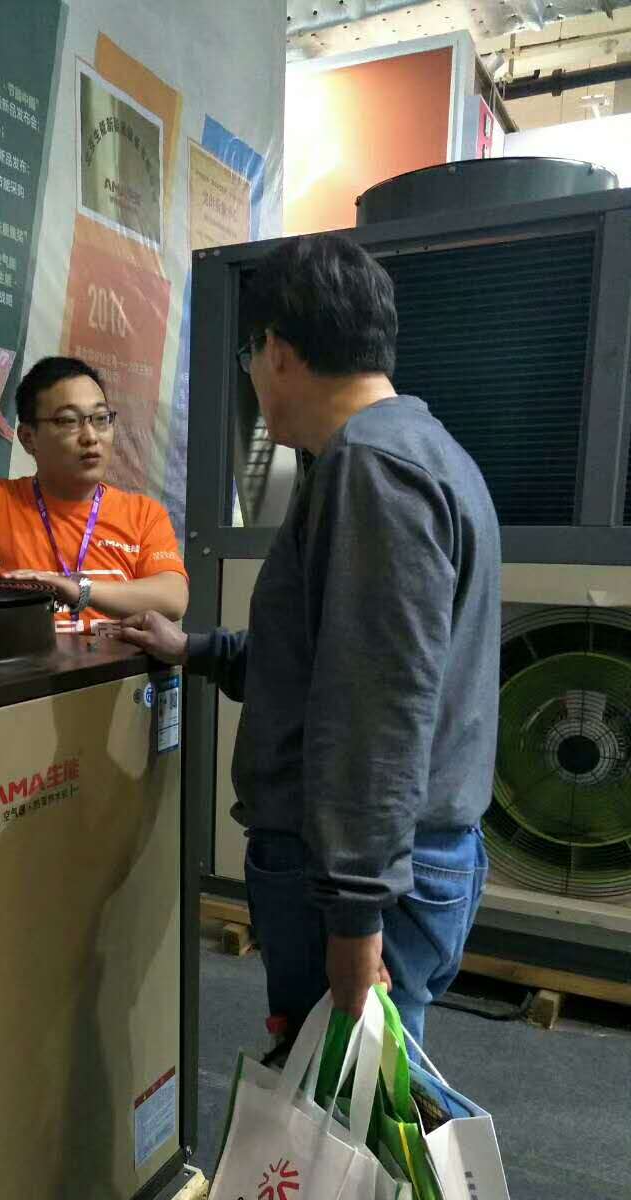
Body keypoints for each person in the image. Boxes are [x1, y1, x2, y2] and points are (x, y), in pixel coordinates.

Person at [117, 234, 500, 1045]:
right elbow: (331, 664)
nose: (254, 379)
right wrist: (198, 650)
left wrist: (355, 917)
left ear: (279, 352)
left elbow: (376, 711)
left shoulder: (373, 467)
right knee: (355, 1092)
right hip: (391, 862)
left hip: (363, 878)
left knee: (344, 1094)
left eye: (250, 358)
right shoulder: (416, 449)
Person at [0, 356, 189, 632]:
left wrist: (79, 590)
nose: (90, 436)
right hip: (22, 659)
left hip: (114, 660)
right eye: (69, 421)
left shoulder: (143, 514)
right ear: (29, 438)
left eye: (101, 419)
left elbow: (173, 598)